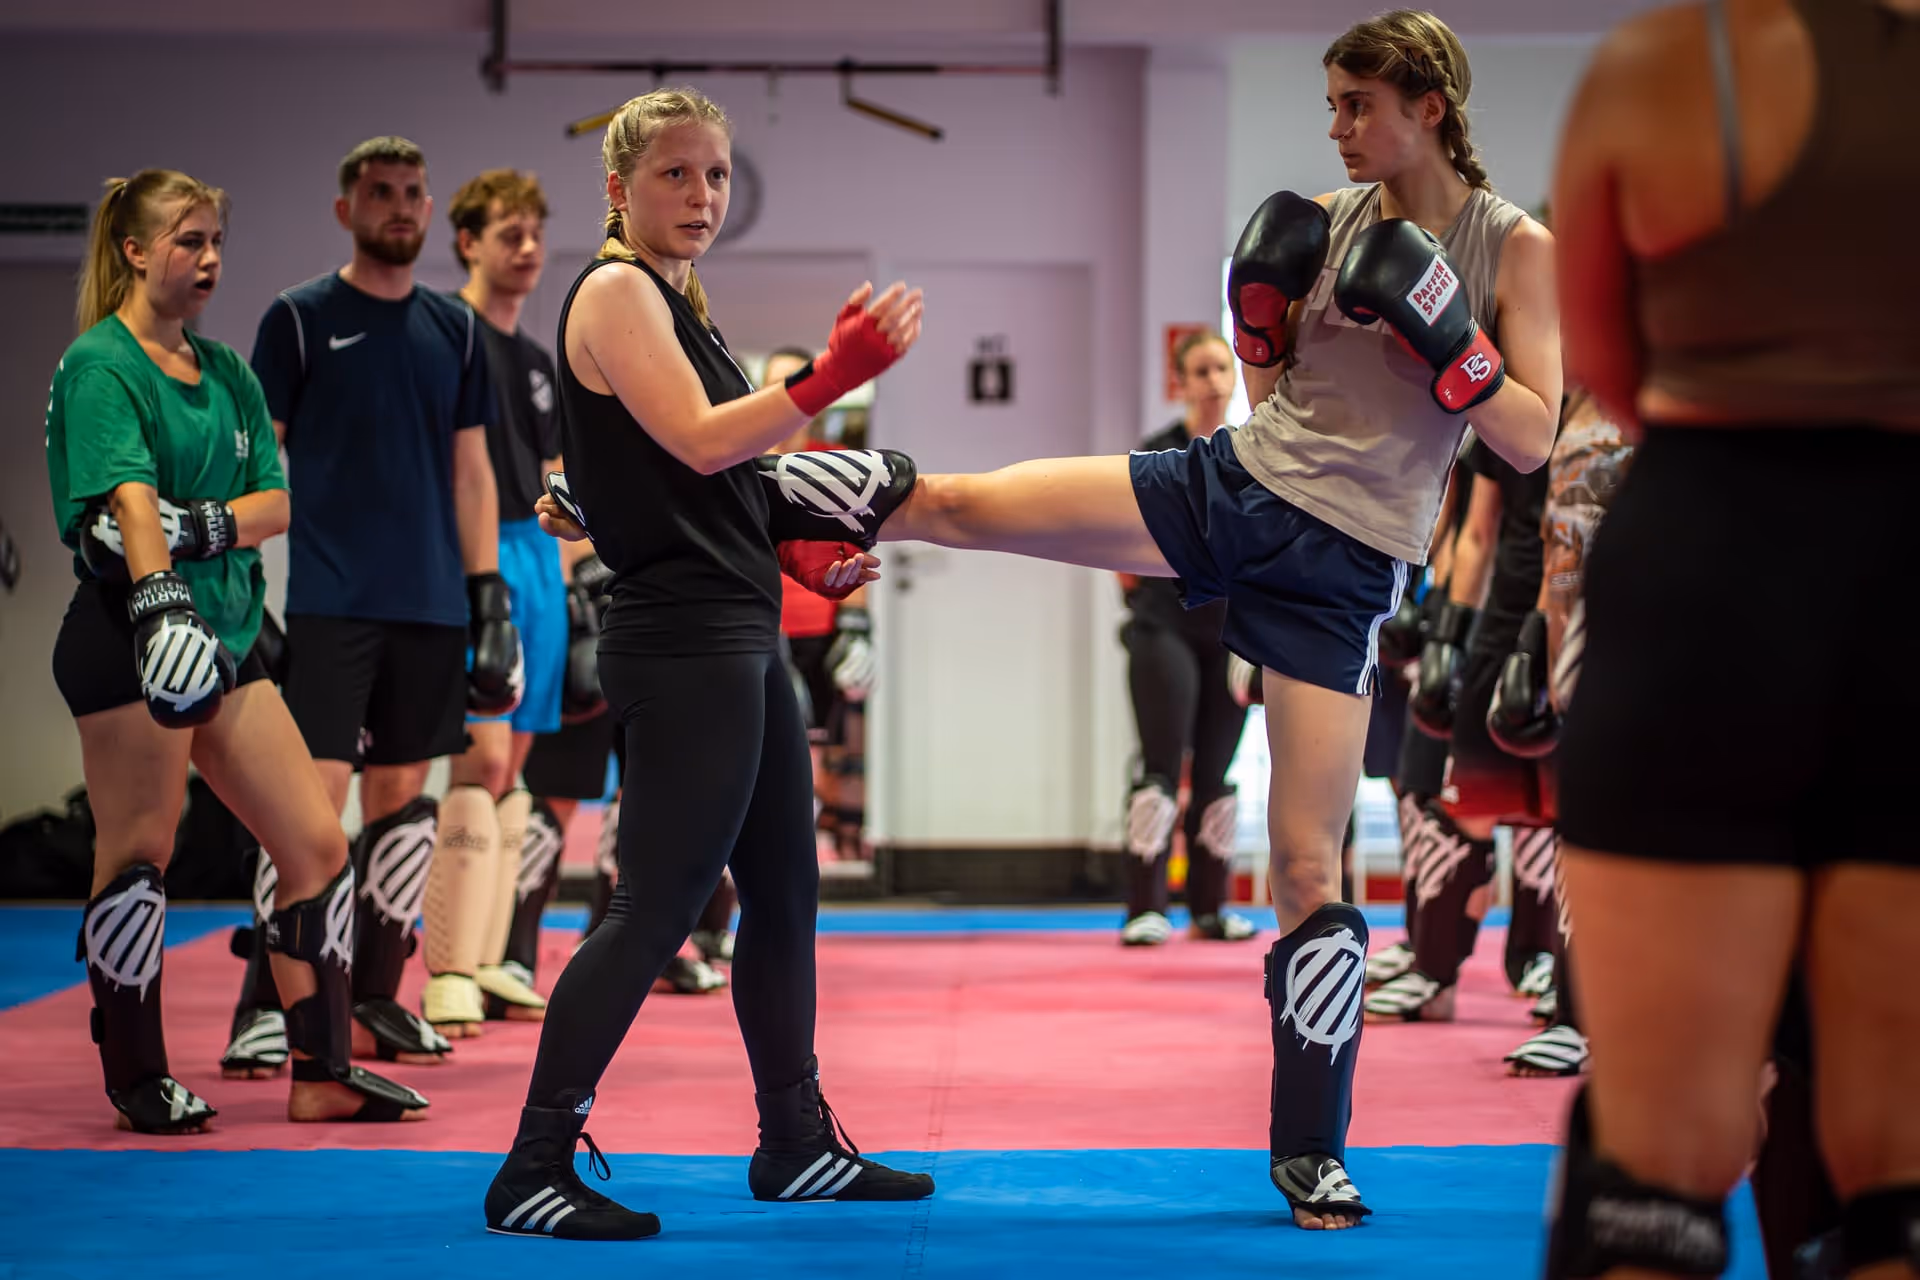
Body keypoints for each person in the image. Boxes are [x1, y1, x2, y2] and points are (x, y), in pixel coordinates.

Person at [537, 11, 1558, 1231]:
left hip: (1347, 562)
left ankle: (1311, 1148)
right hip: (1236, 486)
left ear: (1429, 107)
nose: (1335, 128)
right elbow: (1275, 391)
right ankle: (669, 491)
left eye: (1357, 105)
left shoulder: (1514, 247)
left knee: (1304, 864)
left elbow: (1532, 437)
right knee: (960, 503)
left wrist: (1456, 345)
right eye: (1330, 103)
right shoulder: (1326, 224)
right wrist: (1255, 330)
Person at [487, 88, 932, 1240]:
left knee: (785, 892)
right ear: (619, 188)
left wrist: (794, 555)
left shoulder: (682, 302)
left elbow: (710, 481)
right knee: (656, 908)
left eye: (717, 174)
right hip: (684, 639)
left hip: (738, 627)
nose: (702, 195)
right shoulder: (616, 292)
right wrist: (830, 374)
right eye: (676, 174)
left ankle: (795, 1141)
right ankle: (533, 1163)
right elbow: (695, 440)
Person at [1543, 1, 1920, 1276]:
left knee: (1656, 1166)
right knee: (1904, 1180)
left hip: (1714, 568)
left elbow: (1611, 370)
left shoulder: (1671, 63)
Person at [48, 168, 428, 1132]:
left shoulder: (227, 372)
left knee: (316, 845)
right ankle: (137, 1076)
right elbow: (128, 502)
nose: (210, 257)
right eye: (189, 240)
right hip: (131, 633)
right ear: (136, 250)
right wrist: (161, 601)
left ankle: (322, 1073)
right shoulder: (101, 364)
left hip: (230, 637)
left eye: (216, 239)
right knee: (140, 856)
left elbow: (275, 504)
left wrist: (199, 526)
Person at [220, 137, 507, 1075]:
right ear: (347, 209)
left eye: (413, 192)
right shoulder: (299, 319)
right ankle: (266, 1006)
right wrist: (243, 587)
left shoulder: (456, 328)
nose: (400, 206)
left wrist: (488, 595)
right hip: (334, 603)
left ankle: (378, 996)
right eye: (381, 192)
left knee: (402, 808)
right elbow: (259, 457)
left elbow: (472, 471)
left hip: (432, 607)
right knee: (307, 811)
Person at [414, 166, 567, 1039]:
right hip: (472, 552)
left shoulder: (539, 362)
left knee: (516, 769)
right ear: (468, 241)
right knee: (481, 758)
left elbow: (555, 477)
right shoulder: (447, 334)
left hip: (538, 559)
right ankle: (446, 971)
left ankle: (486, 959)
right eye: (510, 234)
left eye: (536, 234)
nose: (529, 249)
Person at [1115, 331, 1256, 947]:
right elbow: (1120, 544)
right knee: (1161, 765)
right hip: (1163, 624)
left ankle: (1210, 908)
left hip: (1230, 632)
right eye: (1201, 370)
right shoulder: (1157, 454)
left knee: (1218, 773)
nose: (1215, 380)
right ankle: (1145, 907)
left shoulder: (1252, 452)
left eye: (1223, 367)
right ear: (1181, 382)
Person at [764, 346, 878, 869]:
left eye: (796, 382)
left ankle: (822, 851)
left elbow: (861, 547)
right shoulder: (741, 459)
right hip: (760, 626)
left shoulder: (837, 464)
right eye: (775, 384)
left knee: (828, 752)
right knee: (766, 754)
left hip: (822, 626)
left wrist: (858, 628)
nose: (786, 395)